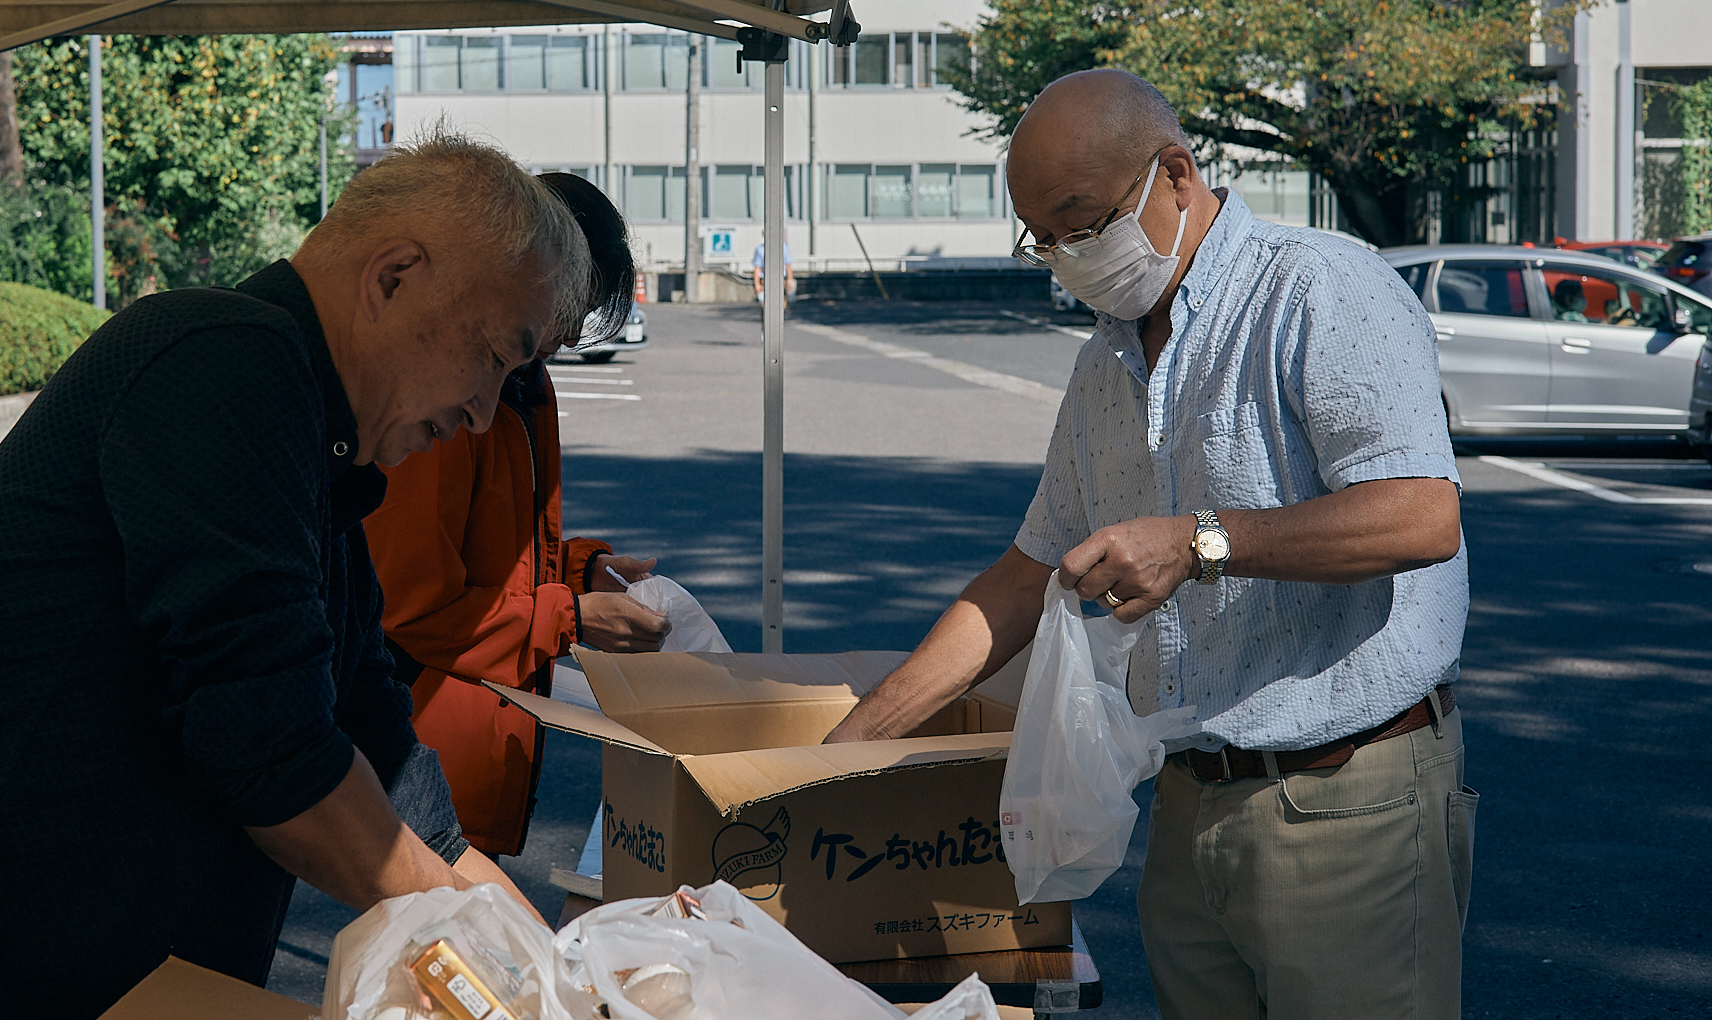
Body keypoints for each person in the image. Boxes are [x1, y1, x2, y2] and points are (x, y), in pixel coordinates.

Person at [0, 129, 588, 1020]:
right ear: (394, 275)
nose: (485, 414)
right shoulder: (220, 361)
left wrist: (560, 989)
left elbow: (405, 794)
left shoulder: (320, 483)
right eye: (494, 356)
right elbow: (278, 764)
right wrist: (502, 985)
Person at [826, 69, 1472, 1020]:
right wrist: (847, 748)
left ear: (1174, 172)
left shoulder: (1319, 288)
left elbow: (1421, 513)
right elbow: (1022, 576)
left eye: (1081, 222)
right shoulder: (1106, 362)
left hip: (1347, 802)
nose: (1065, 254)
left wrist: (1204, 540)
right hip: (1187, 796)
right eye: (1041, 237)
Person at [365, 172, 670, 858]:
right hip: (423, 734)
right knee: (429, 941)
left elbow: (513, 548)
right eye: (568, 310)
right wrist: (571, 617)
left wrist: (585, 568)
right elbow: (412, 605)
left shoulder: (526, 378)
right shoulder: (451, 390)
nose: (563, 337)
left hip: (483, 726)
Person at [752, 238, 796, 306]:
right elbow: (757, 268)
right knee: (765, 304)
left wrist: (790, 280)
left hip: (781, 279)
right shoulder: (760, 249)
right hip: (764, 280)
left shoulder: (784, 247)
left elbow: (788, 265)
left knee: (781, 304)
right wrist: (757, 283)